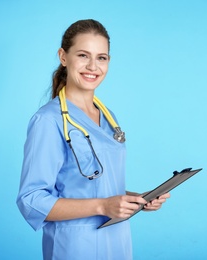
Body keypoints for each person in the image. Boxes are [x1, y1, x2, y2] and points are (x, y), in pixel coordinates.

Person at [16, 19, 170, 260]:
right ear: (63, 57)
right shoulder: (48, 121)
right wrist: (102, 206)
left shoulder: (108, 118)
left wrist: (137, 199)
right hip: (75, 246)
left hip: (117, 241)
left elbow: (97, 185)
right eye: (83, 55)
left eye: (101, 57)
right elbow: (32, 200)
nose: (93, 66)